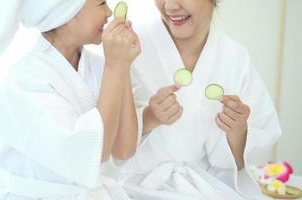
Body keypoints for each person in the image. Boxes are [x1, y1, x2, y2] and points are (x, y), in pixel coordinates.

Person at [118, 0, 282, 199]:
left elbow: (240, 161)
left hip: (208, 187)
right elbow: (106, 142)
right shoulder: (128, 48)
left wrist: (238, 130)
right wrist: (149, 118)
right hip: (135, 189)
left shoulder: (235, 57)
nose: (169, 6)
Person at [0, 0, 141, 199]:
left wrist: (122, 65)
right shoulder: (26, 81)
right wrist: (115, 66)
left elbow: (124, 150)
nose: (109, 12)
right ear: (66, 12)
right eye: (101, 3)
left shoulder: (101, 67)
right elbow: (96, 152)